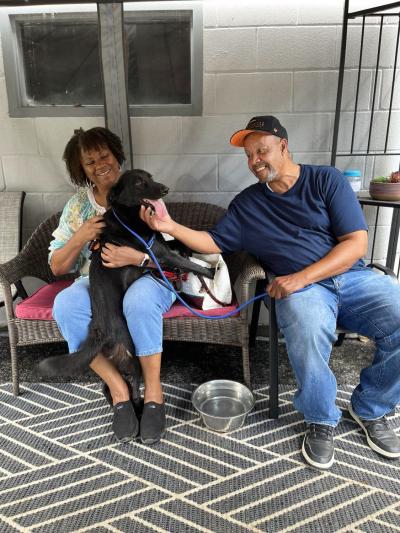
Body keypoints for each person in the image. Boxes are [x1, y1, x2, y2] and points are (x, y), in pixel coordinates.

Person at [141, 115, 400, 469]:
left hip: (349, 278)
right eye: (248, 156)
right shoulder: (248, 204)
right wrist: (168, 226)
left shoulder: (326, 180)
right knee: (307, 330)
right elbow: (213, 242)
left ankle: (371, 408)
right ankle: (321, 420)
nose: (254, 162)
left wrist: (302, 277)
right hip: (305, 294)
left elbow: (355, 244)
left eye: (261, 150)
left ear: (283, 146)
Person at [49, 127, 175, 444]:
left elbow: (169, 255)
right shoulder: (78, 207)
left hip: (147, 276)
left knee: (139, 301)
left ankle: (153, 394)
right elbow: (56, 267)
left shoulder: (141, 190)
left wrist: (137, 257)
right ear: (82, 170)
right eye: (90, 162)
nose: (100, 164)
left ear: (116, 155)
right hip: (99, 282)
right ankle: (119, 390)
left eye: (104, 155)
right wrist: (81, 236)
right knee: (66, 305)